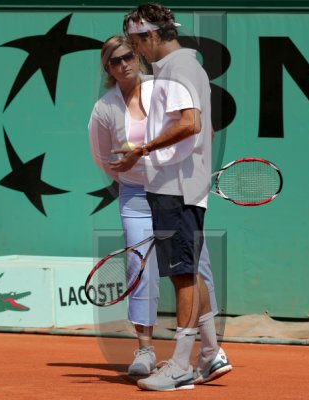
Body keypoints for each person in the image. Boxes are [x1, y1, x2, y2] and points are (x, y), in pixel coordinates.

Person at [109, 3, 232, 391]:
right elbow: (203, 130)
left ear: (150, 35)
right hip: (176, 184)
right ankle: (210, 354)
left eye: (135, 42)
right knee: (190, 270)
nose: (135, 50)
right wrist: (189, 164)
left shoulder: (178, 69)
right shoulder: (181, 69)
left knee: (182, 275)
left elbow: (191, 123)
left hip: (175, 189)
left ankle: (180, 364)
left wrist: (143, 150)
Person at [88, 34, 220, 378]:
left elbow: (198, 126)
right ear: (108, 69)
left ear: (138, 56)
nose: (123, 64)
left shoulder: (165, 87)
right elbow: (102, 155)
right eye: (114, 61)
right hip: (135, 195)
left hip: (176, 191)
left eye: (128, 56)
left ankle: (210, 350)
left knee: (195, 267)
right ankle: (145, 350)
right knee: (139, 268)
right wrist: (132, 176)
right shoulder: (105, 108)